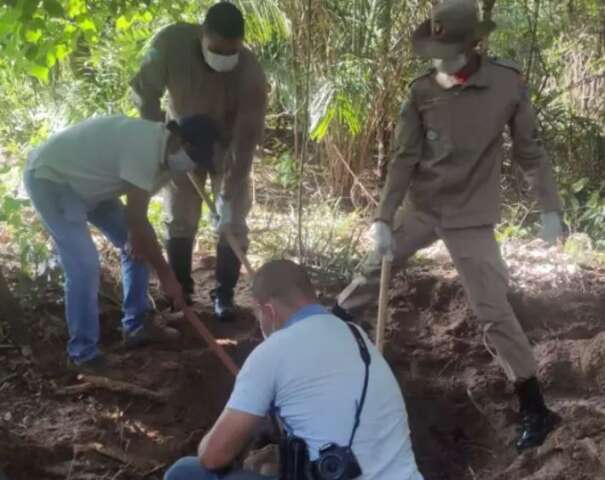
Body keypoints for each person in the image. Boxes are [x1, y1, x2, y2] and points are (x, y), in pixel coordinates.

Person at [332, 0, 564, 452]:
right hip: (422, 207)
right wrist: (382, 218)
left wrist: (549, 208)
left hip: (471, 215)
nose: (438, 57)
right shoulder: (421, 92)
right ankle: (324, 330)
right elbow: (403, 159)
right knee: (370, 272)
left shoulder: (506, 84)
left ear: (472, 44)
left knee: (492, 308)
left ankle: (534, 406)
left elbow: (530, 151)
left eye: (448, 47)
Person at [164, 259, 424, 480]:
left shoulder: (273, 351)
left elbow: (213, 457)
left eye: (259, 316)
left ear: (269, 310)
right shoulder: (357, 335)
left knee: (185, 472)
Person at [24, 114, 219, 374]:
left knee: (137, 248)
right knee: (84, 266)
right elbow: (138, 223)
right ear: (181, 142)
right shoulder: (144, 147)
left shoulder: (164, 159)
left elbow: (139, 230)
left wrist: (161, 269)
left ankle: (136, 326)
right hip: (52, 179)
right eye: (193, 157)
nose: (191, 165)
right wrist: (167, 276)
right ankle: (83, 354)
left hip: (95, 187)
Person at [131, 2, 267, 320]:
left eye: (230, 52)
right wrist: (163, 138)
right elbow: (144, 92)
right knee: (180, 217)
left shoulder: (250, 71)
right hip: (180, 142)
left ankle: (225, 296)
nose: (223, 58)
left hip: (225, 149)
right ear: (202, 35)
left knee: (232, 223)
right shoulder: (170, 44)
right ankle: (182, 293)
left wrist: (230, 194)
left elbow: (246, 139)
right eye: (216, 49)